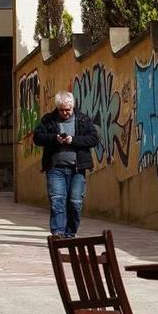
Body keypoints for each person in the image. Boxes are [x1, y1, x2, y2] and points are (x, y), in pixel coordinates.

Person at [33, 91, 98, 238]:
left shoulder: (83, 120)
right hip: (56, 169)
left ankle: (70, 233)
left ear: (73, 107)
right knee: (57, 201)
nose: (65, 113)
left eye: (67, 110)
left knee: (75, 203)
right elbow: (37, 137)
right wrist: (55, 139)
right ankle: (58, 233)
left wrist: (73, 140)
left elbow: (93, 139)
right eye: (61, 110)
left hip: (77, 169)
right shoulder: (48, 120)